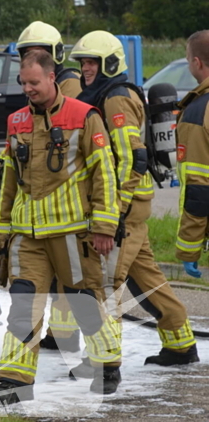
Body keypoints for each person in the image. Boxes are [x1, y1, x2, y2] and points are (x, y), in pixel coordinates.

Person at [0, 49, 122, 405]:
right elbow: (9, 183)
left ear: (51, 78)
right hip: (28, 239)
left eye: (34, 82)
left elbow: (104, 173)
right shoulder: (16, 122)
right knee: (23, 306)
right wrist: (1, 235)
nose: (27, 89)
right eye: (23, 83)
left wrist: (105, 227)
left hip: (73, 236)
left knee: (85, 303)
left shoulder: (84, 116)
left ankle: (107, 366)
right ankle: (13, 384)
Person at [68, 31, 197, 371]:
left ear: (109, 63)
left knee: (104, 282)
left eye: (92, 62)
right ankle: (180, 343)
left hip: (123, 207)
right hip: (130, 205)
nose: (86, 69)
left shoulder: (115, 98)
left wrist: (115, 212)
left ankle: (103, 360)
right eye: (82, 63)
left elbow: (131, 158)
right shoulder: (105, 94)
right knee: (148, 279)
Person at [10, 21, 84, 350]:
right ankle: (17, 378)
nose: (31, 57)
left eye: (36, 53)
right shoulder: (32, 95)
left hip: (69, 215)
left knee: (80, 286)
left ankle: (88, 351)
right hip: (36, 220)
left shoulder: (72, 94)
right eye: (25, 54)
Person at [176, 30, 209, 281]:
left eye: (188, 60)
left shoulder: (198, 110)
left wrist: (189, 248)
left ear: (197, 63)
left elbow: (198, 186)